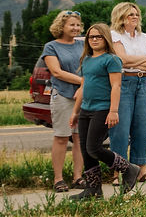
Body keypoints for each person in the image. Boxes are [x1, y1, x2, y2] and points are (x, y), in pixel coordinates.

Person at [68, 23, 140, 200]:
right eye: (91, 37)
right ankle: (93, 190)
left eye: (98, 36)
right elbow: (84, 86)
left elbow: (116, 85)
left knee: (94, 147)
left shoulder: (111, 59)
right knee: (86, 150)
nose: (94, 40)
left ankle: (129, 169)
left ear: (106, 38)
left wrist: (113, 111)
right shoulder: (87, 59)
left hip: (103, 109)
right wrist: (76, 112)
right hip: (86, 109)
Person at [108, 2, 146, 184]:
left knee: (141, 126)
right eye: (130, 14)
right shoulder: (115, 36)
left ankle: (141, 171)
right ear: (121, 17)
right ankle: (118, 172)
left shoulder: (144, 37)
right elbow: (121, 60)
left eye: (136, 14)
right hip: (124, 82)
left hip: (142, 82)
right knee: (121, 130)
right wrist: (143, 59)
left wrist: (135, 62)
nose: (135, 17)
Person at [41, 10, 85, 192]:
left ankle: (78, 177)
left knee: (79, 138)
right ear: (62, 26)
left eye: (78, 25)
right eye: (71, 25)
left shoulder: (82, 45)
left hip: (82, 96)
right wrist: (82, 81)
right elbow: (56, 72)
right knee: (61, 137)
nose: (75, 28)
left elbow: (88, 67)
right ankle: (58, 179)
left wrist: (84, 87)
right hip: (63, 96)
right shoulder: (51, 47)